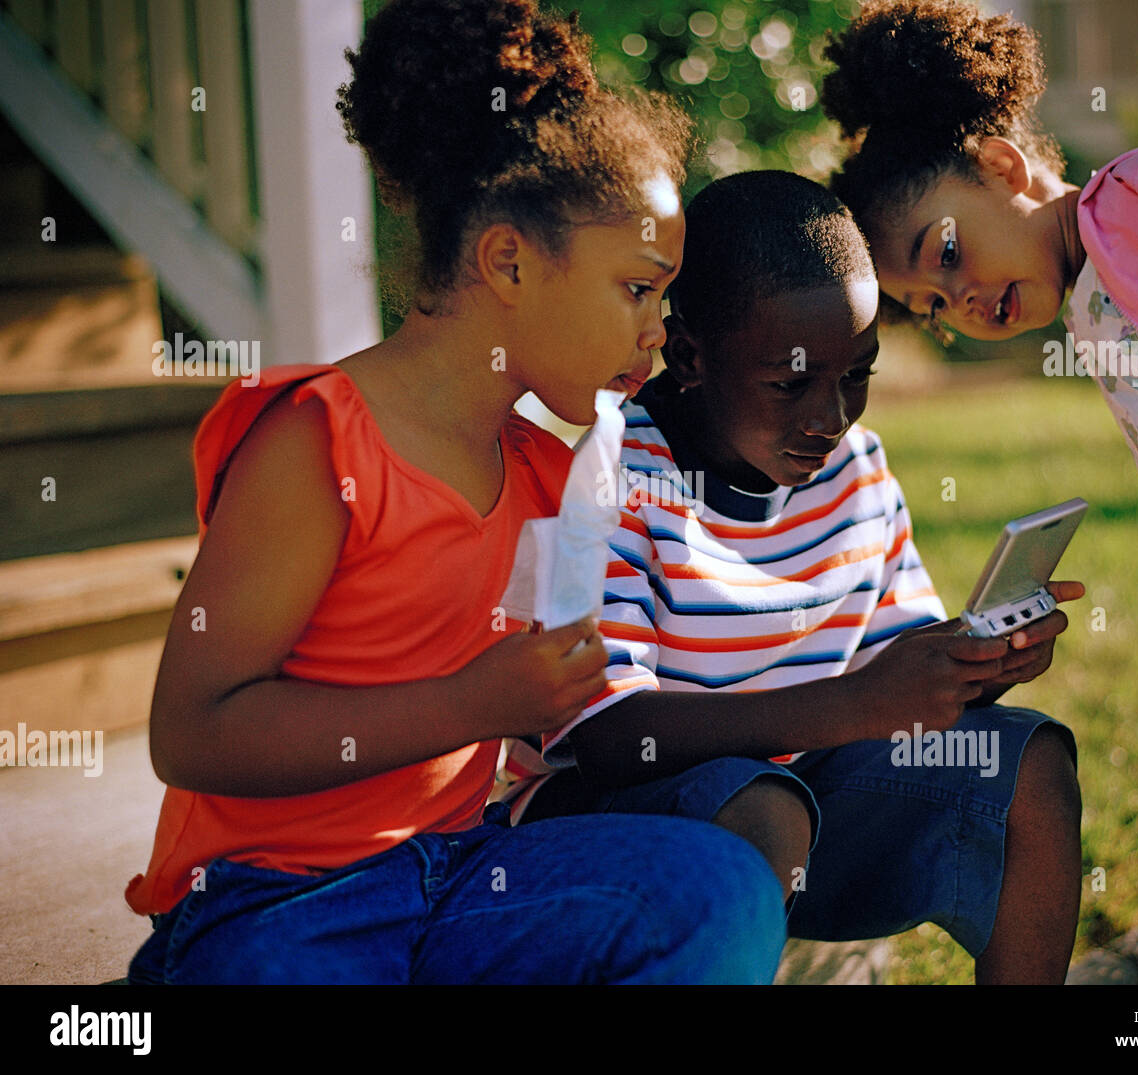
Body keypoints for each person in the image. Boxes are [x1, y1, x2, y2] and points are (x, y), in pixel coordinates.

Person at [123, 0, 789, 985]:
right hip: (279, 901)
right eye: (638, 289)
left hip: (460, 875)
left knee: (715, 892)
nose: (657, 329)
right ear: (509, 261)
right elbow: (191, 731)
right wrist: (470, 700)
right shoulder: (319, 442)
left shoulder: (542, 470)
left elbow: (542, 713)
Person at [820, 0, 1138, 982]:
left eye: (945, 254)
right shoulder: (1087, 300)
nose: (957, 301)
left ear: (1001, 166)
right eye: (930, 305)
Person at [512, 169, 1084, 984]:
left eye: (857, 374)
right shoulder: (616, 479)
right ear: (690, 356)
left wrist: (970, 666)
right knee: (763, 808)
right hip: (626, 828)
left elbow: (887, 666)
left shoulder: (854, 469)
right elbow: (606, 736)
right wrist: (849, 705)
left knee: (1027, 764)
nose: (831, 415)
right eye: (789, 384)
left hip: (807, 796)